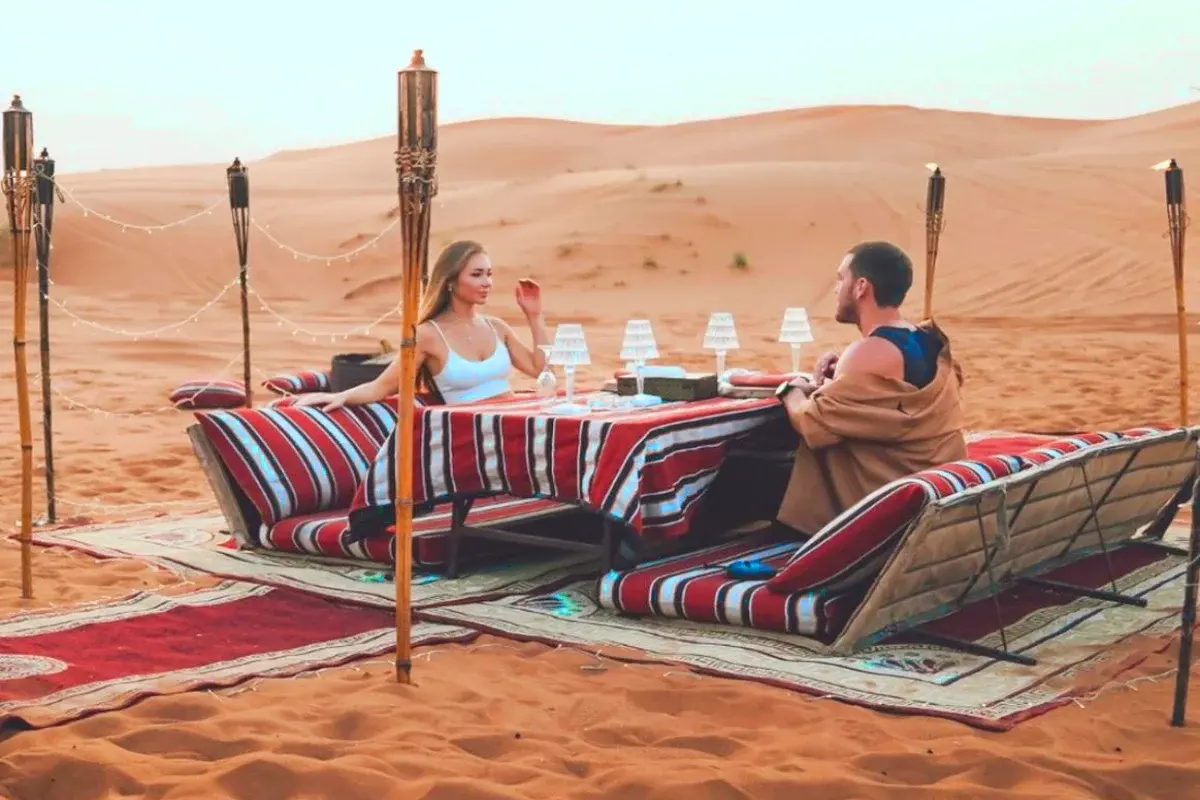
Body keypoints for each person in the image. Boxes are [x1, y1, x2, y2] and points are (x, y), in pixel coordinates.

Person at [772, 240, 967, 536]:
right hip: (934, 488)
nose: (837, 289)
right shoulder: (926, 340)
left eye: (841, 279)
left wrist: (791, 389)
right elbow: (887, 401)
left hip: (888, 506)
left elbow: (812, 422)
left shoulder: (867, 351)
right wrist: (839, 380)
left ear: (861, 286)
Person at [294, 240, 551, 411]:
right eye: (476, 275)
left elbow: (541, 370)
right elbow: (383, 386)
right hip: (472, 434)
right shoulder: (428, 335)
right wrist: (339, 396)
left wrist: (535, 316)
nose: (487, 283)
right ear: (450, 281)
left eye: (489, 274)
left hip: (513, 422)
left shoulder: (497, 327)